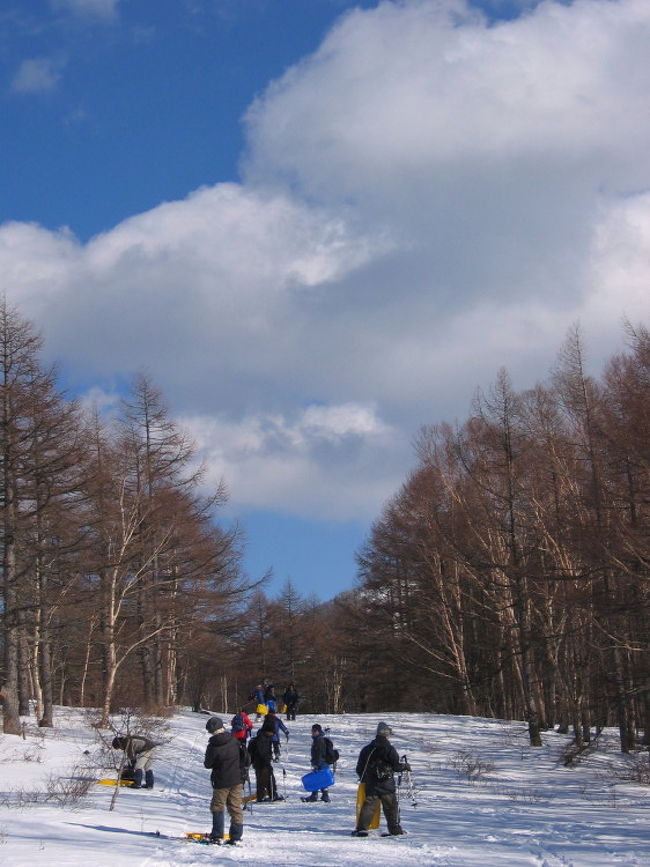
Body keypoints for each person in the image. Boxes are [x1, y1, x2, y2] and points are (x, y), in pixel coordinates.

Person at [352, 721, 411, 837]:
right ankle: (394, 830)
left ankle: (362, 829)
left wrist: (365, 779)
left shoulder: (367, 749)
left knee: (368, 807)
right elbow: (396, 766)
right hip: (387, 784)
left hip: (372, 785)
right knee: (391, 808)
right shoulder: (390, 749)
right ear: (386, 734)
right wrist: (405, 766)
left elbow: (360, 768)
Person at [203, 716, 246, 845]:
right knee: (235, 807)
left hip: (221, 781)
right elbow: (244, 757)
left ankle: (217, 835)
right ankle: (236, 836)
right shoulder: (234, 740)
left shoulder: (212, 746)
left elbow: (208, 764)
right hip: (237, 779)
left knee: (217, 806)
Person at [248, 716, 284, 802]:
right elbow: (261, 752)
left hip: (264, 762)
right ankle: (262, 796)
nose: (273, 734)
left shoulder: (266, 737)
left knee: (270, 778)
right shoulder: (262, 738)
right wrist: (267, 758)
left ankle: (272, 794)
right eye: (272, 732)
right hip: (260, 762)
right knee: (262, 779)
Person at [301, 723, 335, 803]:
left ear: (318, 731)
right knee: (320, 779)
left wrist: (317, 764)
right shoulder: (318, 739)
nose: (312, 732)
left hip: (321, 763)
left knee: (318, 778)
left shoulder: (319, 740)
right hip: (322, 762)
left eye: (314, 731)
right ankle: (323, 795)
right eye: (312, 730)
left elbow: (319, 753)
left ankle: (316, 795)